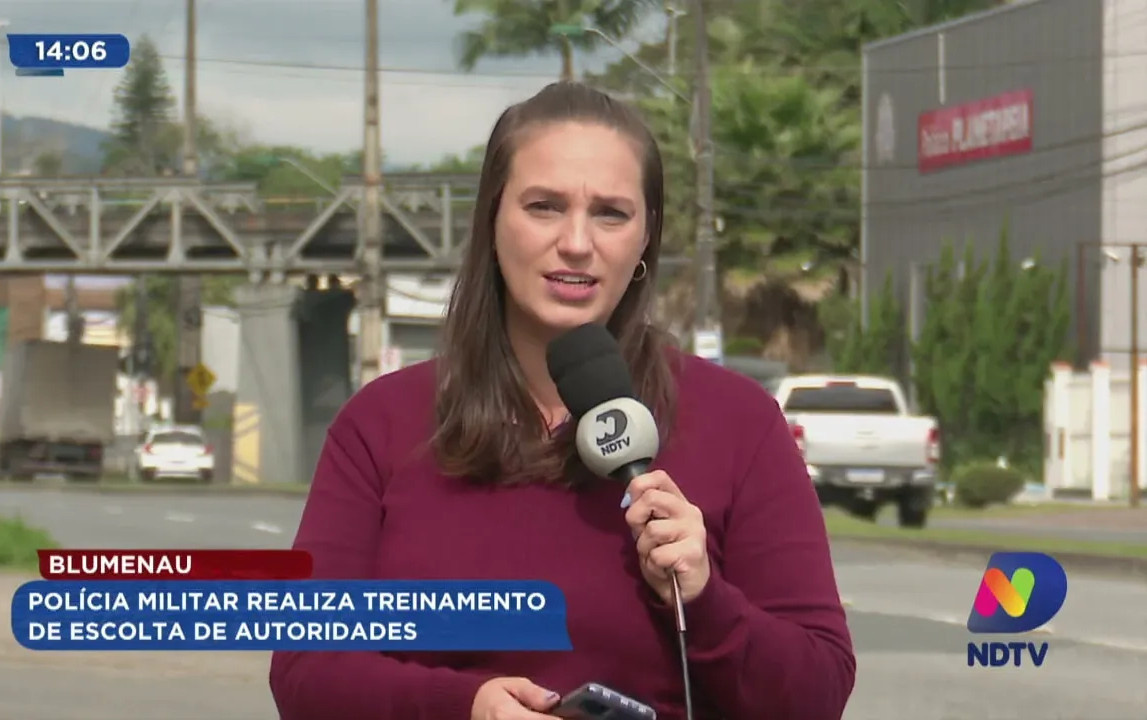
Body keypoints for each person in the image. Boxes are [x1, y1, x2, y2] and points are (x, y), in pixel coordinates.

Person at [270, 82, 855, 720]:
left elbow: (818, 691)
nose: (577, 242)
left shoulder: (739, 423)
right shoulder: (380, 425)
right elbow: (305, 671)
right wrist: (466, 707)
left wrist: (705, 598)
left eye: (611, 213)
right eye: (544, 206)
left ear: (645, 239)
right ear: (492, 220)